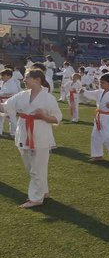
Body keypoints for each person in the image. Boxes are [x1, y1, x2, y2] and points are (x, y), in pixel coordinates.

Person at [0, 69, 62, 208]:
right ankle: (43, 192)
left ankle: (36, 198)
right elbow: (6, 107)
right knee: (31, 168)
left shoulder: (48, 98)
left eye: (27, 77)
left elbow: (57, 117)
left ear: (37, 79)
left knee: (37, 168)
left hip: (40, 135)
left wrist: (44, 117)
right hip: (23, 133)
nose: (24, 80)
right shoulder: (21, 95)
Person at [82, 74, 109, 162]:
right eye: (100, 82)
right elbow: (89, 94)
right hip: (99, 116)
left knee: (108, 137)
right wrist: (83, 91)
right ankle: (97, 155)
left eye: (102, 83)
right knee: (95, 136)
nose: (100, 84)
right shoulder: (99, 92)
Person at [0, 68, 22, 136]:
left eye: (3, 75)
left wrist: (2, 94)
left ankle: (14, 132)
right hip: (2, 101)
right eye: (1, 75)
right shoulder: (2, 82)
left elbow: (14, 93)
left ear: (9, 76)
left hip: (10, 102)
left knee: (12, 118)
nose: (2, 77)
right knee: (1, 117)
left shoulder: (12, 83)